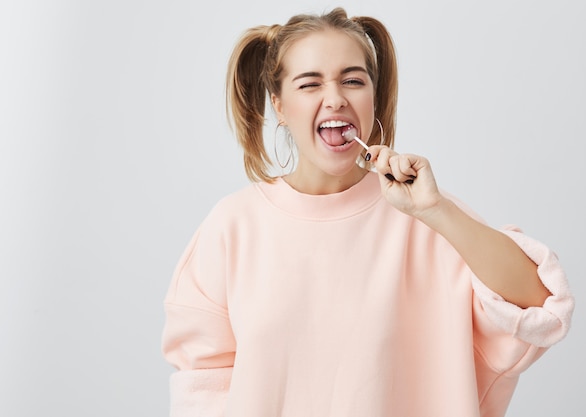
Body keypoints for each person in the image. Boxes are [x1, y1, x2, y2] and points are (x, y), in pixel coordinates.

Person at [161, 7, 574, 417]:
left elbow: (541, 305)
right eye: (309, 84)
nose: (336, 98)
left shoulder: (425, 215)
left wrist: (435, 211)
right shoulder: (232, 227)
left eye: (353, 80)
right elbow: (203, 384)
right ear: (280, 106)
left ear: (373, 96)